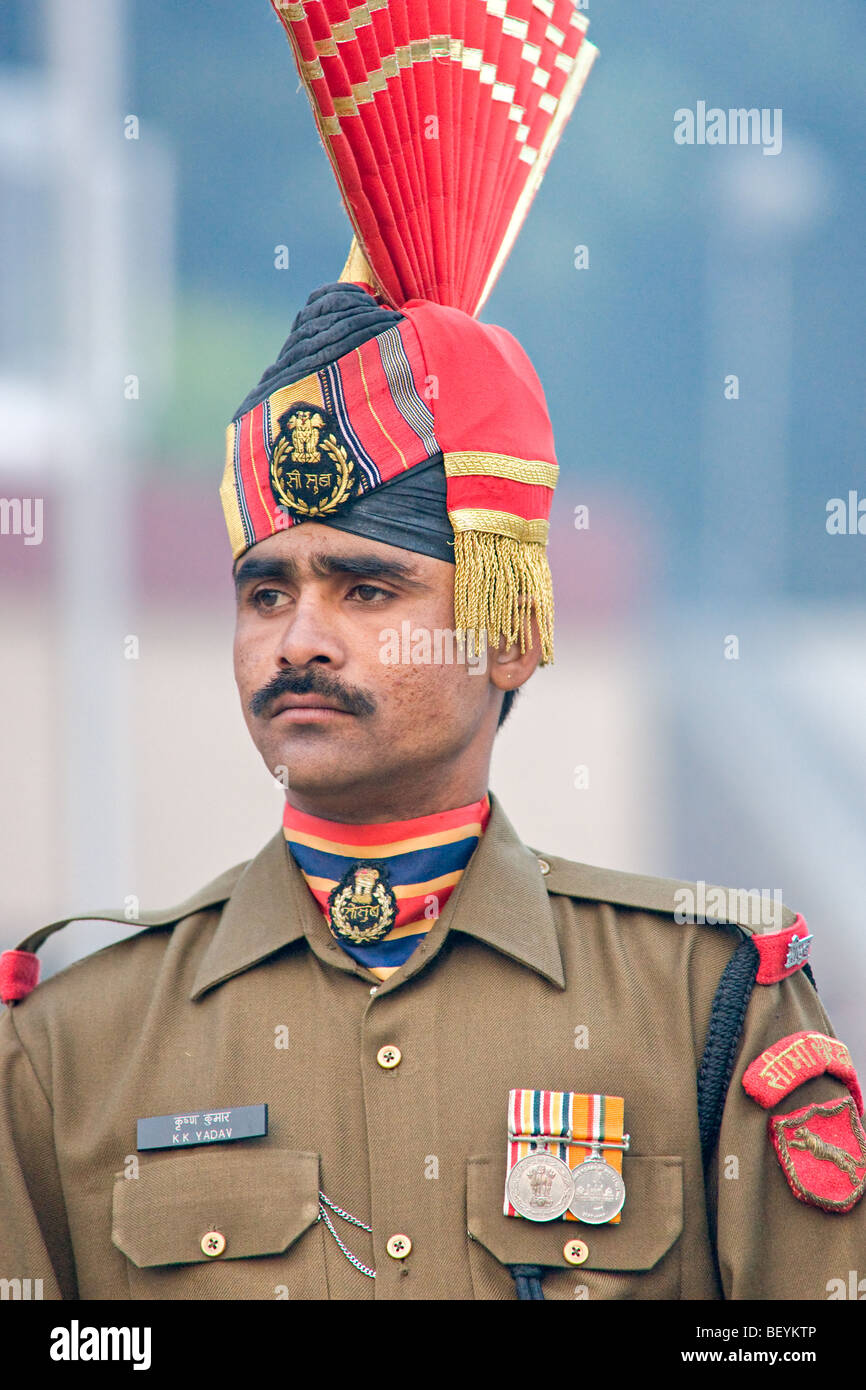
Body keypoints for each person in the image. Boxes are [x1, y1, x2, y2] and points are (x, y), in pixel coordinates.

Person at [1, 3, 864, 1303]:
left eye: (365, 586)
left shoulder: (707, 1008)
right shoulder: (72, 1034)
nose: (297, 638)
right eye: (263, 590)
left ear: (507, 630)